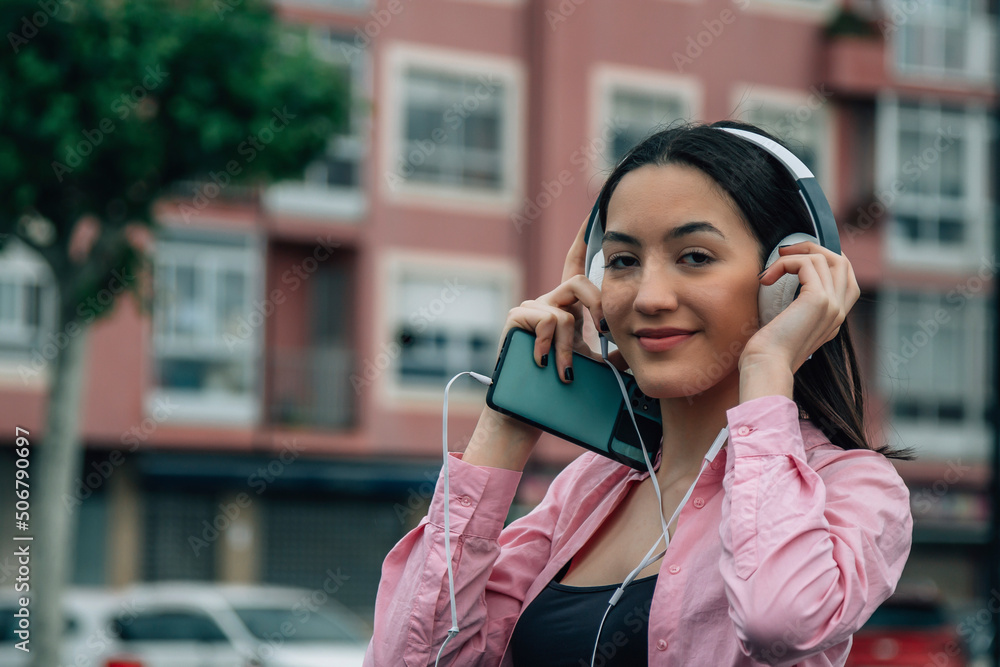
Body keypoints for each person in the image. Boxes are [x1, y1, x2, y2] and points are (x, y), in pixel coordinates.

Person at [363, 121, 913, 666]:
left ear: (789, 280)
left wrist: (768, 368)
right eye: (624, 262)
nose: (649, 297)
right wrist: (509, 417)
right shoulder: (586, 490)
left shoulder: (853, 488)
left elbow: (780, 622)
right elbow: (408, 659)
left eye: (695, 256)